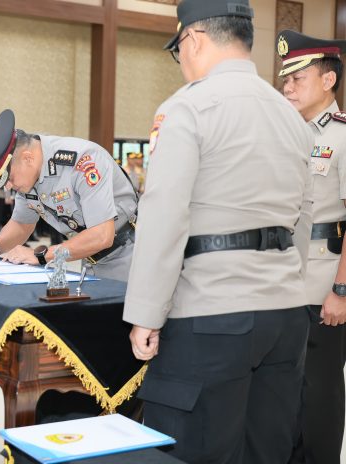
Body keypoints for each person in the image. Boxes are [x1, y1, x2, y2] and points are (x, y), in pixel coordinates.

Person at [122, 1, 314, 462]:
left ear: (195, 38)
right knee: (266, 448)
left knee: (195, 449)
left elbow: (165, 214)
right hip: (285, 313)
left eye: (178, 49)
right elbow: (303, 216)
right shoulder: (291, 116)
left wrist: (146, 312)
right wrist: (288, 283)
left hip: (211, 312)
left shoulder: (187, 108)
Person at [277, 30, 346, 464]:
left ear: (328, 81)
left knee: (318, 391)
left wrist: (341, 290)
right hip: (284, 278)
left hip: (324, 279)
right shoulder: (287, 134)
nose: (287, 87)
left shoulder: (342, 136)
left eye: (298, 77)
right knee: (286, 391)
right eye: (285, 79)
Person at [0, 109, 138, 283]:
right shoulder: (27, 180)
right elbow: (21, 223)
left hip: (130, 254)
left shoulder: (83, 161)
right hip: (90, 258)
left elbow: (102, 235)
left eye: (8, 178)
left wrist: (41, 256)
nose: (8, 186)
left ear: (27, 158)